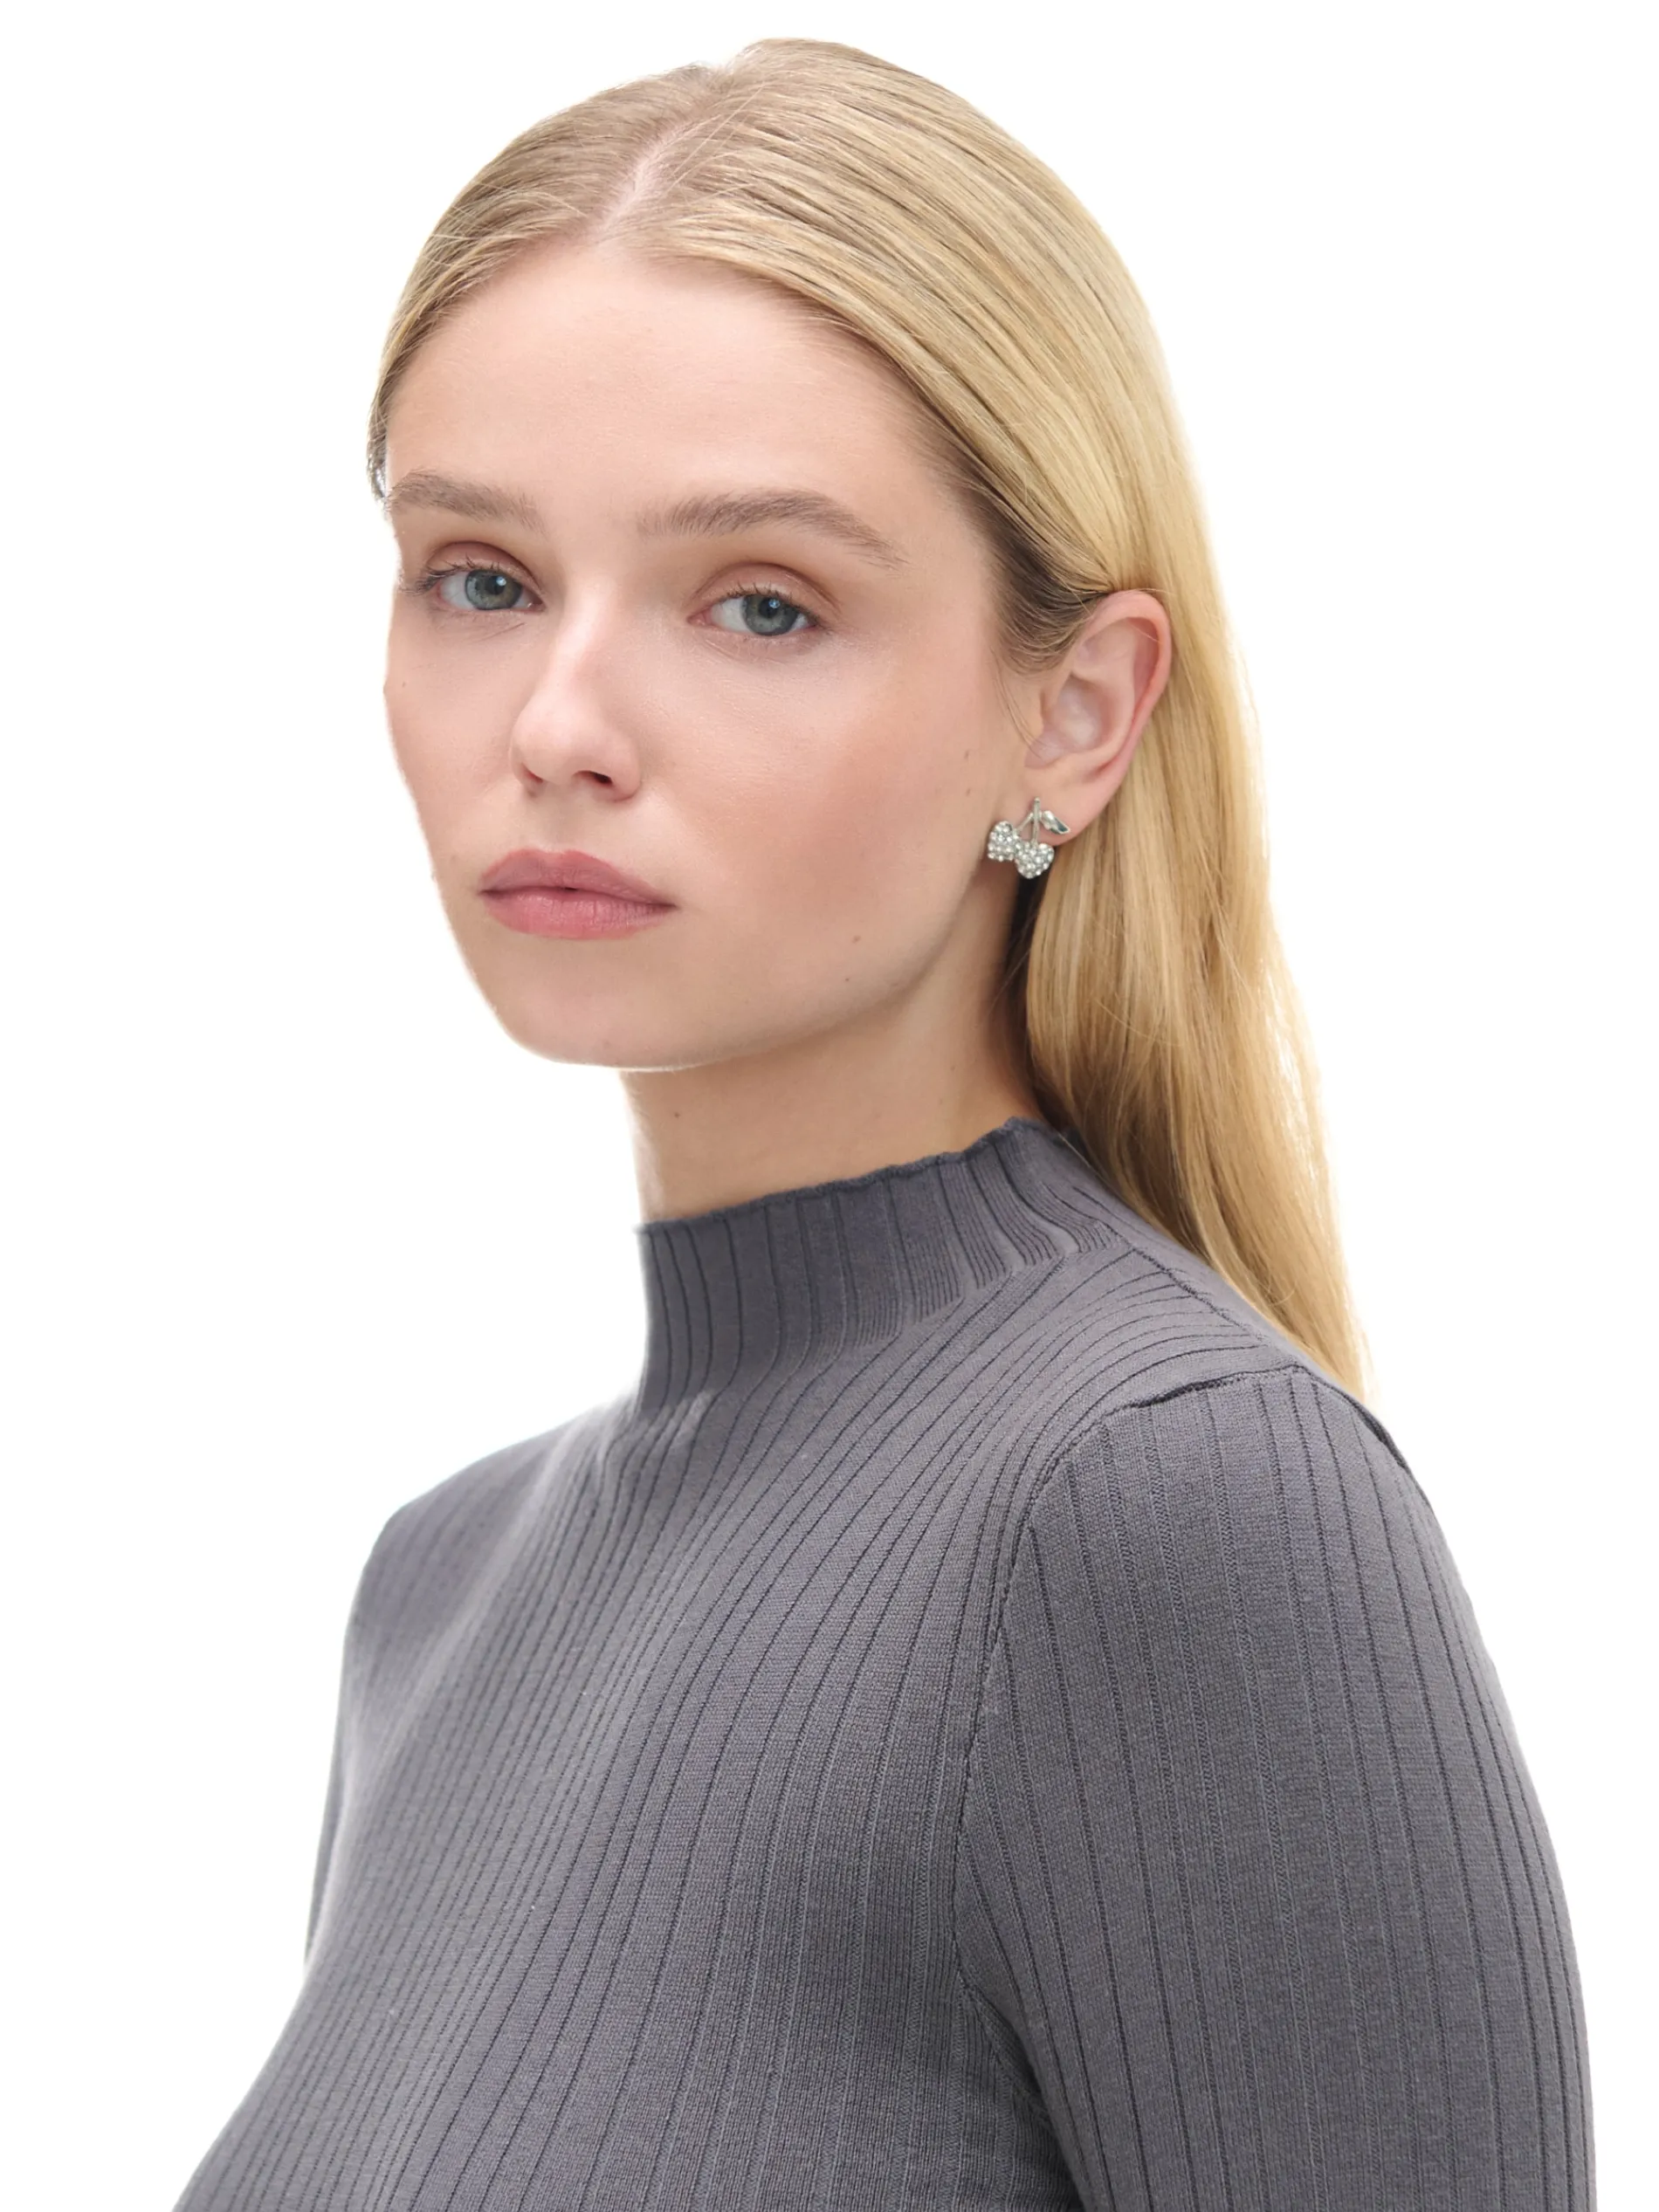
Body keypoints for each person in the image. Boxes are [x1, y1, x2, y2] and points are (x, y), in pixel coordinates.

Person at [172, 37, 1594, 2212]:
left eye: (760, 602)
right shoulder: (435, 1593)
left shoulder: (1168, 1508)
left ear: (1074, 714)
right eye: (479, 576)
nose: (558, 723)